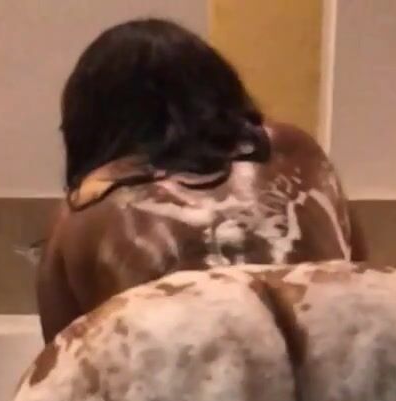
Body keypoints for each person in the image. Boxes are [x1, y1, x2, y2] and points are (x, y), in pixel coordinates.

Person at [38, 18, 366, 343]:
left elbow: (64, 363)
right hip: (344, 359)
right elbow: (360, 277)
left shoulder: (81, 215)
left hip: (189, 373)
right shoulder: (298, 152)